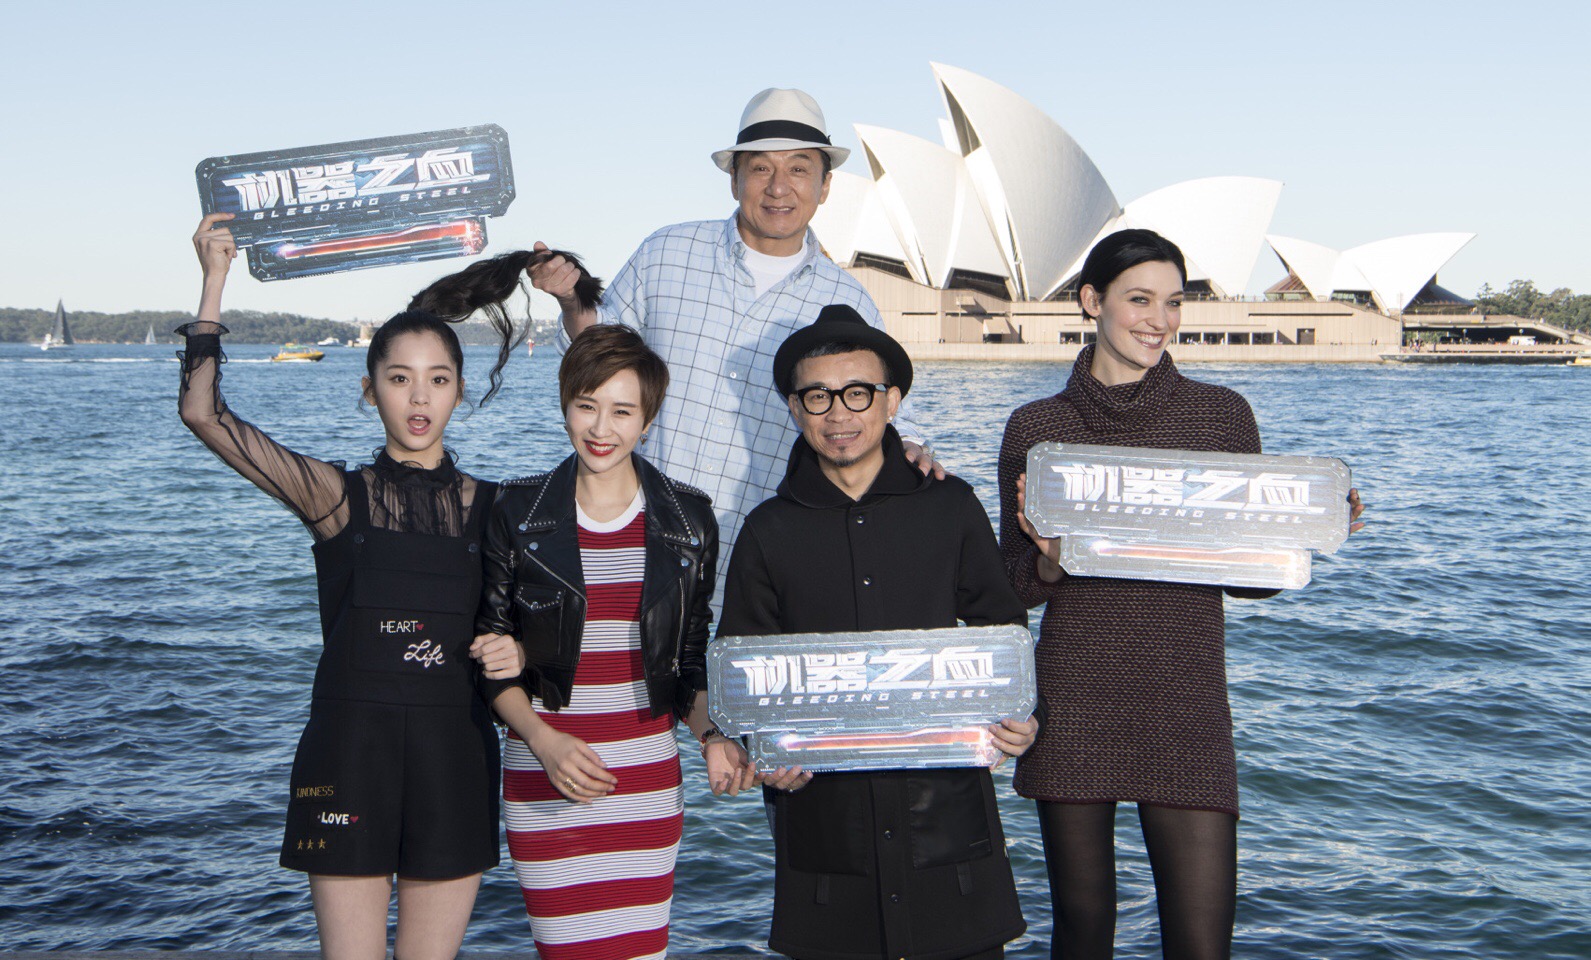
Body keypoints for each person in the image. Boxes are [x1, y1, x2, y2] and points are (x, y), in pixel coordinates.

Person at [996, 229, 1366, 960]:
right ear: (1091, 301)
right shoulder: (1037, 428)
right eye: (1139, 299)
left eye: (1173, 303)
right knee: (1081, 935)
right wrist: (1053, 562)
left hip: (1185, 694)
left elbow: (1247, 579)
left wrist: (1302, 533)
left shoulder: (1220, 416)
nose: (1159, 320)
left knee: (1201, 944)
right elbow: (1013, 586)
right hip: (1074, 693)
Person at [178, 213, 528, 960]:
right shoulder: (335, 497)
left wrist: (519, 653)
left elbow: (544, 617)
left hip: (453, 756)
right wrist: (214, 279)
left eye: (437, 380)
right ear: (370, 391)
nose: (418, 398)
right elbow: (203, 414)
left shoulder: (500, 510)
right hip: (348, 758)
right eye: (399, 379)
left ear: (460, 392)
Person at [527, 88, 941, 607]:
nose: (779, 187)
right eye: (761, 168)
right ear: (733, 179)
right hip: (644, 534)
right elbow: (600, 356)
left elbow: (884, 408)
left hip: (765, 556)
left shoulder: (848, 299)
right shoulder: (665, 253)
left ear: (825, 186)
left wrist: (913, 447)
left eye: (799, 169)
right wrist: (571, 299)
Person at [717, 304, 1039, 960]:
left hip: (947, 816)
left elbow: (1002, 628)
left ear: (891, 401)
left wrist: (1021, 717)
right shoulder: (767, 530)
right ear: (794, 409)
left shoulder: (950, 507)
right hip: (824, 827)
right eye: (818, 396)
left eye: (857, 393)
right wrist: (759, 747)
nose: (839, 413)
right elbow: (741, 667)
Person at [474, 324, 738, 960]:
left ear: (647, 420)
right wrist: (543, 741)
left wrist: (712, 736)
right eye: (586, 405)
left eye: (622, 411)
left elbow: (689, 659)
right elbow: (491, 659)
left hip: (645, 780)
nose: (601, 428)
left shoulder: (689, 520)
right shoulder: (516, 511)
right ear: (565, 403)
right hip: (545, 775)